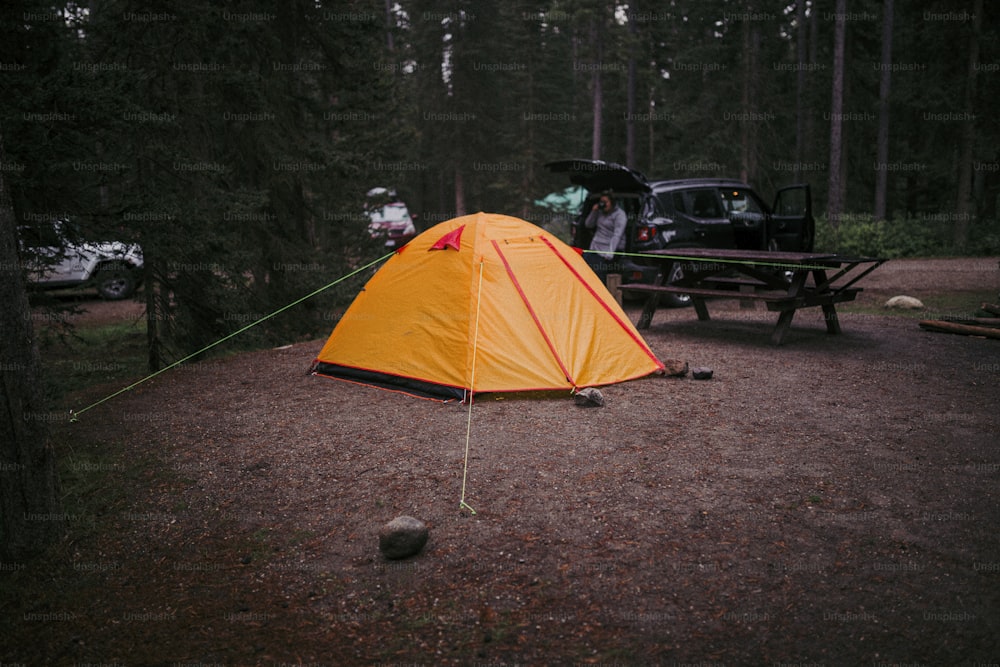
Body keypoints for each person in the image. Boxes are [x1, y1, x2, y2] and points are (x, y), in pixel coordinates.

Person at [583, 192, 626, 284]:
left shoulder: (620, 215)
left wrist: (610, 252)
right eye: (601, 201)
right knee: (583, 264)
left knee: (598, 269)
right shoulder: (600, 212)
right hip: (596, 246)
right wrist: (594, 211)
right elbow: (588, 225)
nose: (603, 204)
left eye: (605, 202)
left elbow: (617, 235)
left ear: (612, 202)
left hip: (608, 248)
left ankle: (600, 291)